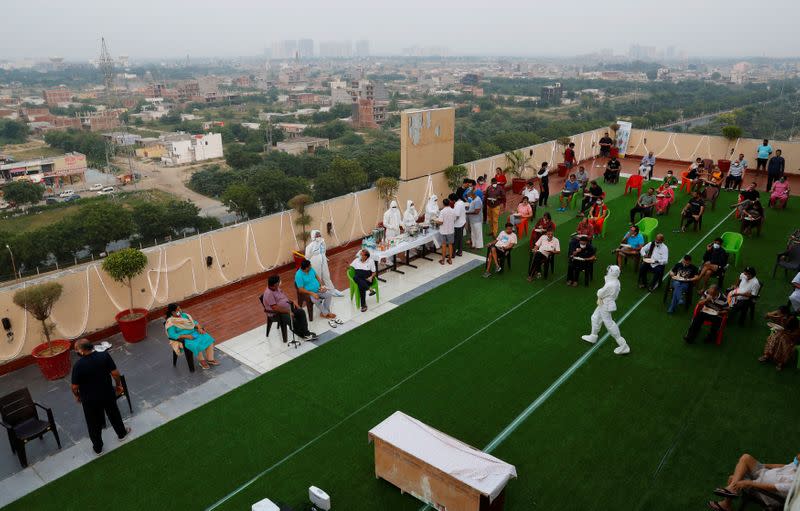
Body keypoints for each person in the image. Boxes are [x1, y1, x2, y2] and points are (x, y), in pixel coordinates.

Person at [71, 339, 131, 454]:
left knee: (93, 423)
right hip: (107, 393)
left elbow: (74, 387)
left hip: (89, 400)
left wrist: (78, 396)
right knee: (114, 414)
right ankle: (122, 434)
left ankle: (98, 448)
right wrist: (118, 386)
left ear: (82, 351)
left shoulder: (78, 366)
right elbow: (115, 374)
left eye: (76, 349)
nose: (76, 351)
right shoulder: (104, 356)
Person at [706, 452, 799, 511]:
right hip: (763, 473)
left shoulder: (797, 483)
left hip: (766, 492)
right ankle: (731, 491)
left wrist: (748, 483)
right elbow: (783, 467)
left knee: (732, 478)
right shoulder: (797, 466)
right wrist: (763, 465)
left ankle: (727, 502)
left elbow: (773, 488)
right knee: (746, 458)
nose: (798, 456)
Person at [581, 265, 630, 355]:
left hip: (606, 304)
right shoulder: (615, 281)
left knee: (609, 323)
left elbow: (600, 293)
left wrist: (599, 294)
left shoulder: (610, 284)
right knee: (595, 317)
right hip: (604, 303)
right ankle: (593, 336)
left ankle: (623, 345)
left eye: (610, 270)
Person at [262, 275, 317, 341]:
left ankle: (306, 332)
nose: (280, 282)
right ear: (275, 284)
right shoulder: (269, 294)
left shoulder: (276, 288)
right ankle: (302, 335)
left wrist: (295, 304)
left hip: (288, 309)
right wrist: (288, 312)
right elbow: (275, 308)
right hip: (277, 314)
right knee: (291, 320)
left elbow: (285, 298)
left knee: (301, 312)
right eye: (279, 282)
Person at [165, 303, 217, 369]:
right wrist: (187, 336)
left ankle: (210, 359)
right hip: (184, 338)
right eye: (178, 310)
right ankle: (201, 361)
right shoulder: (171, 322)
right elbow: (172, 335)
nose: (180, 311)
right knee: (196, 344)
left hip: (194, 333)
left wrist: (199, 328)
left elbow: (194, 322)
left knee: (208, 338)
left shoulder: (184, 315)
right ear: (173, 312)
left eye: (180, 308)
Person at [305, 230, 344, 297]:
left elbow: (324, 250)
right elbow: (307, 256)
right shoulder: (310, 246)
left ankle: (332, 290)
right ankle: (318, 292)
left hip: (323, 260)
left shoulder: (322, 242)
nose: (319, 236)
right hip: (315, 262)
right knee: (318, 277)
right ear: (313, 236)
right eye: (317, 235)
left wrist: (323, 257)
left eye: (319, 234)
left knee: (326, 276)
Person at [436, 197, 456, 265]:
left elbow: (441, 222)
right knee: (450, 245)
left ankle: (443, 260)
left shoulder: (442, 211)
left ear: (443, 204)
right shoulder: (453, 210)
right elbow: (454, 219)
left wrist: (436, 221)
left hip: (443, 231)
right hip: (450, 230)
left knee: (444, 245)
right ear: (449, 203)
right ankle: (450, 260)